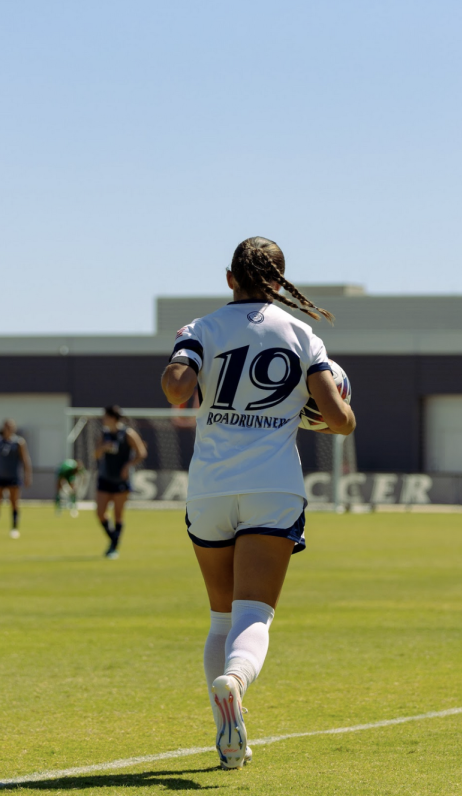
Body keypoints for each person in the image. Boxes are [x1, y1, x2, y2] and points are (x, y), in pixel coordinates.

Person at [160, 236, 355, 770]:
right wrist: (326, 408)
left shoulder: (200, 329)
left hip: (210, 488)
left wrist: (185, 360)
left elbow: (177, 391)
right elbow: (337, 420)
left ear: (229, 278)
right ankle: (236, 682)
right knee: (254, 614)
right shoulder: (301, 334)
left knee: (220, 616)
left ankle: (227, 737)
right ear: (279, 282)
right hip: (273, 486)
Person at [94, 406, 147, 559]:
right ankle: (114, 539)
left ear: (113, 418)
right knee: (100, 513)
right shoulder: (104, 434)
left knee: (118, 514)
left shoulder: (127, 433)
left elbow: (141, 452)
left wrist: (127, 466)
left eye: (106, 417)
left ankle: (113, 548)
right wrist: (103, 447)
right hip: (105, 477)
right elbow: (96, 455)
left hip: (121, 479)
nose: (103, 420)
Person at [0, 419, 33, 539]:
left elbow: (25, 460)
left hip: (13, 476)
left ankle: (14, 529)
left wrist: (28, 475)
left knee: (14, 502)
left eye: (11, 427)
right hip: (0, 476)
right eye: (7, 427)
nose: (9, 429)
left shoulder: (19, 442)